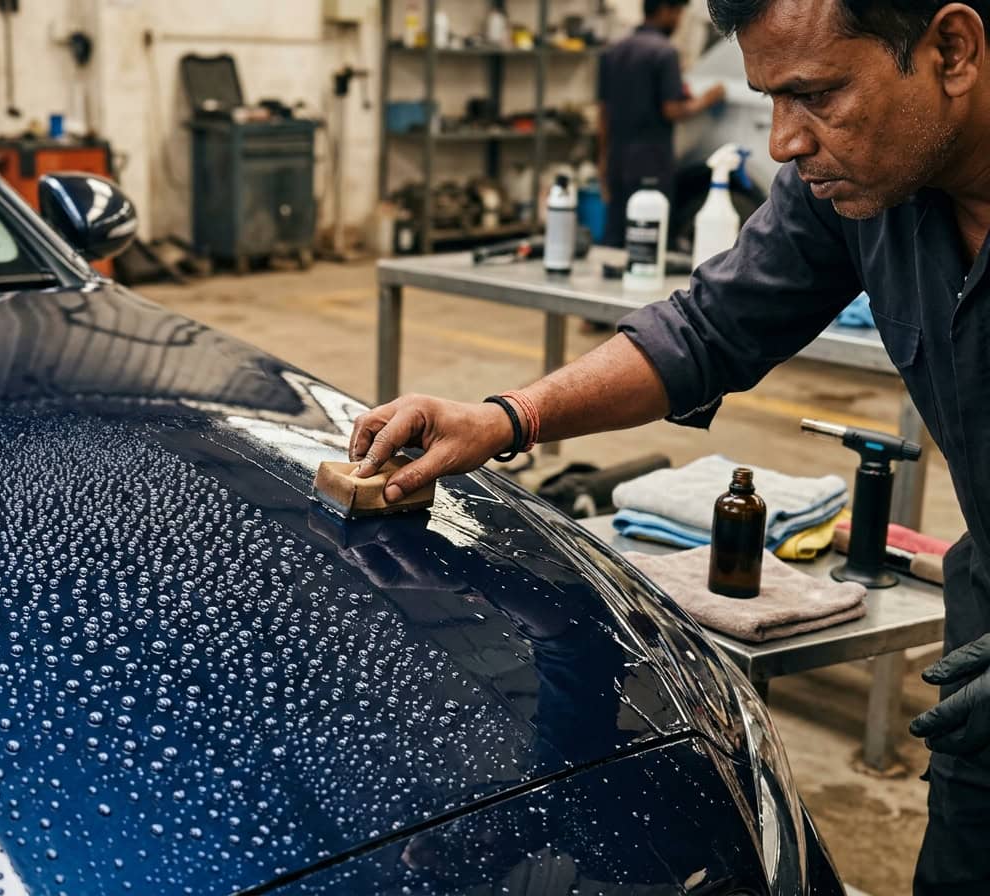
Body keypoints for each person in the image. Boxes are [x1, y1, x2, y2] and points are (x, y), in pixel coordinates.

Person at [348, 2, 990, 892]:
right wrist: (505, 418)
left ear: (951, 51)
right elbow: (707, 327)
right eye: (771, 98)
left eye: (817, 95)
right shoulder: (858, 189)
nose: (784, 142)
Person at [598, 0, 727, 247]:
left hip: (617, 160)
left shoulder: (614, 51)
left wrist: (602, 160)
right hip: (651, 162)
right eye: (678, 13)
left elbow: (603, 112)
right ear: (666, 11)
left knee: (615, 235)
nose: (679, 22)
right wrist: (708, 99)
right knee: (650, 239)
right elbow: (671, 110)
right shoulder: (664, 52)